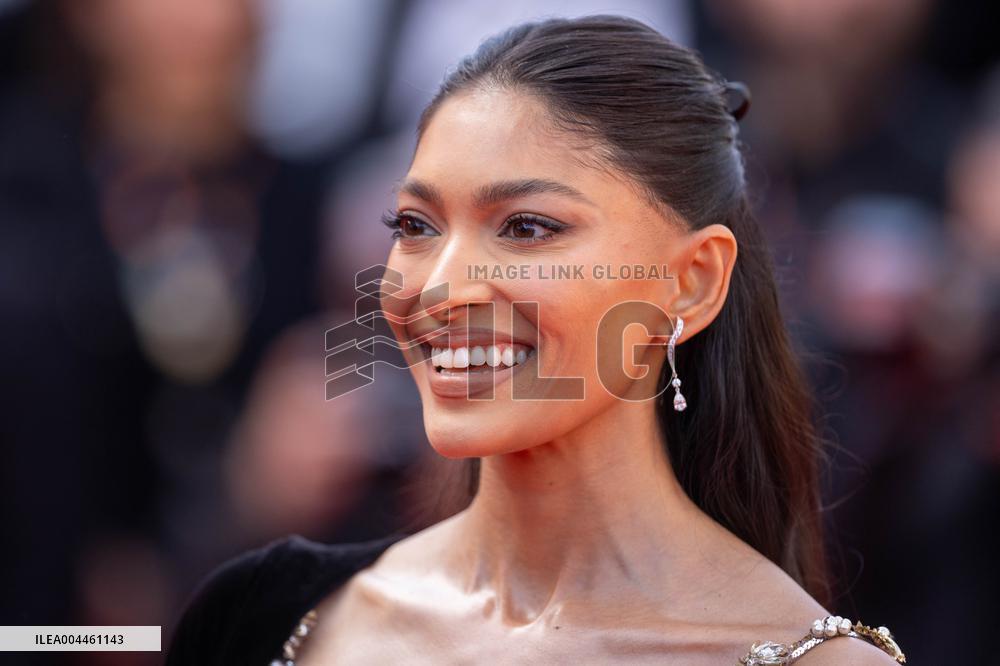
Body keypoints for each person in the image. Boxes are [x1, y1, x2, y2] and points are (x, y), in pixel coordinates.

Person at [165, 15, 907, 665]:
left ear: (693, 281)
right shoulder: (263, 614)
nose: (439, 289)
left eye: (526, 228)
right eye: (415, 227)